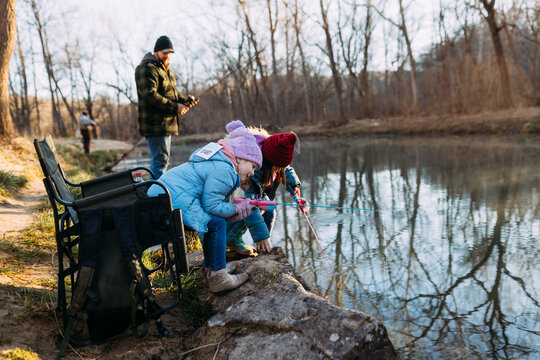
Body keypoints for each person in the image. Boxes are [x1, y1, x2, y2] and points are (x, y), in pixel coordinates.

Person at [147, 120, 262, 293]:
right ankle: (218, 277)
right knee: (216, 223)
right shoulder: (225, 170)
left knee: (213, 223)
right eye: (252, 165)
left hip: (162, 198)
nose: (252, 172)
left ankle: (212, 269)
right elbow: (212, 206)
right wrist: (236, 209)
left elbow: (210, 202)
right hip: (170, 202)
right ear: (239, 157)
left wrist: (232, 209)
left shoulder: (219, 161)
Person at [226, 127, 306, 256]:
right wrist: (260, 235)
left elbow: (286, 169)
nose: (279, 169)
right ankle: (231, 237)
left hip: (249, 197)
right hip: (232, 201)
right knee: (257, 207)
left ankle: (263, 245)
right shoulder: (252, 169)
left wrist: (294, 185)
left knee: (269, 210)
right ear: (268, 162)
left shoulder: (270, 151)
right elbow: (247, 204)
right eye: (277, 167)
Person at [135, 35, 195, 179]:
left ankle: (156, 192)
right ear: (156, 52)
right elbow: (150, 96)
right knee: (160, 160)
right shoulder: (146, 68)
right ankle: (156, 194)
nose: (168, 55)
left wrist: (184, 101)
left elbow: (172, 94)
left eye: (170, 53)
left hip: (165, 124)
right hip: (155, 124)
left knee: (162, 160)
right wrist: (176, 107)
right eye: (165, 52)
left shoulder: (166, 71)